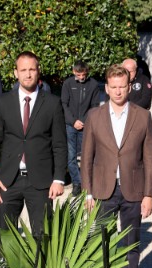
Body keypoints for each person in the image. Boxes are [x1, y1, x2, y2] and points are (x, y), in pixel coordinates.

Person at [80, 64, 152, 268]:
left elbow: (150, 158)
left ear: (129, 87)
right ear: (107, 88)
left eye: (122, 86)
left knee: (131, 241)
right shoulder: (94, 116)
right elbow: (86, 157)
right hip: (103, 189)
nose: (118, 91)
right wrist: (87, 192)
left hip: (133, 189)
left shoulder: (142, 116)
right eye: (114, 87)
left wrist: (149, 194)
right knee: (100, 241)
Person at [0, 51, 67, 237]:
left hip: (41, 181)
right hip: (8, 180)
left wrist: (58, 179)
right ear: (16, 73)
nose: (28, 74)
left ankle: (39, 267)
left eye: (32, 69)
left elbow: (60, 144)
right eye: (23, 70)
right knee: (6, 236)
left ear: (38, 71)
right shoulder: (3, 102)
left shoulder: (53, 104)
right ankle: (9, 267)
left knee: (43, 236)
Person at [60, 60, 100, 196]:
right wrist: (73, 121)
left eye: (84, 74)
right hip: (70, 125)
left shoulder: (93, 84)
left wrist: (83, 121)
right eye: (79, 74)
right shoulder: (68, 84)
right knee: (71, 157)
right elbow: (64, 104)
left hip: (86, 125)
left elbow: (95, 105)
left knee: (86, 155)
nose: (81, 77)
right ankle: (77, 183)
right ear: (73, 72)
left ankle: (86, 183)